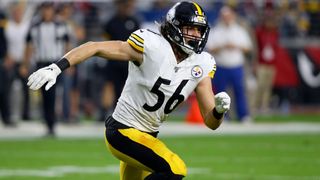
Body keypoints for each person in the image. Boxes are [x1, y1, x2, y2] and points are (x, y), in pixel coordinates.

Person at [27, 2, 231, 179]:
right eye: (191, 29)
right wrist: (57, 67)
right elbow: (94, 47)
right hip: (123, 131)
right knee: (174, 168)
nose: (196, 35)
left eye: (199, 30)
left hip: (148, 137)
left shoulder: (201, 63)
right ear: (175, 27)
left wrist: (219, 111)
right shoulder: (152, 46)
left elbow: (211, 122)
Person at [22, 2, 70, 136]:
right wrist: (25, 64)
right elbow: (29, 46)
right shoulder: (35, 27)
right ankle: (49, 123)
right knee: (45, 95)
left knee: (55, 94)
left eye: (49, 10)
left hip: (56, 63)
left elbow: (67, 44)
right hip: (42, 63)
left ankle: (52, 122)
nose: (47, 12)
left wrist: (70, 64)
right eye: (45, 10)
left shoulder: (60, 25)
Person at [207, 6, 252, 122]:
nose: (226, 18)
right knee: (220, 94)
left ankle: (243, 115)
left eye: (228, 16)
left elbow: (248, 48)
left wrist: (235, 46)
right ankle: (223, 116)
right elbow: (210, 48)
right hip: (221, 65)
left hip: (236, 65)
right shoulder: (216, 30)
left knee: (239, 92)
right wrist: (223, 47)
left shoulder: (239, 30)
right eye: (224, 16)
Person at [101, 0, 141, 120]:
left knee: (128, 86)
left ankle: (126, 111)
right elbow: (105, 41)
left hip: (129, 61)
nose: (125, 8)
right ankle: (106, 111)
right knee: (110, 85)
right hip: (113, 60)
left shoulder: (134, 21)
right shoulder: (111, 22)